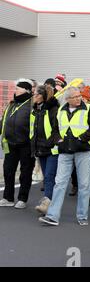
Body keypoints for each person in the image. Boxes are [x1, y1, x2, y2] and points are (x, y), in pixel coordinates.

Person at [39, 87, 90, 226]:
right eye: (75, 97)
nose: (79, 98)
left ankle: (82, 216)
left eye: (79, 95)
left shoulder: (88, 108)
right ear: (67, 99)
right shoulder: (61, 110)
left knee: (84, 184)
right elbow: (55, 129)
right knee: (59, 183)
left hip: (83, 151)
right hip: (65, 151)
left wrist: (81, 139)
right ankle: (53, 216)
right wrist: (58, 140)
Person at [0, 79, 35, 208]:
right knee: (8, 171)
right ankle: (8, 198)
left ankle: (22, 199)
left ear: (26, 90)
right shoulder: (12, 104)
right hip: (10, 143)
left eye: (18, 89)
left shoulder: (32, 104)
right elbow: (4, 121)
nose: (15, 91)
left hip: (26, 143)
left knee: (25, 172)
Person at [31, 85, 60, 214]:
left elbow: (56, 128)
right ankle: (49, 203)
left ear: (43, 95)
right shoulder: (36, 109)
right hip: (40, 147)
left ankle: (48, 204)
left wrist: (52, 142)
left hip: (52, 148)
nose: (34, 96)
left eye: (36, 94)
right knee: (47, 177)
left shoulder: (53, 109)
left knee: (49, 176)